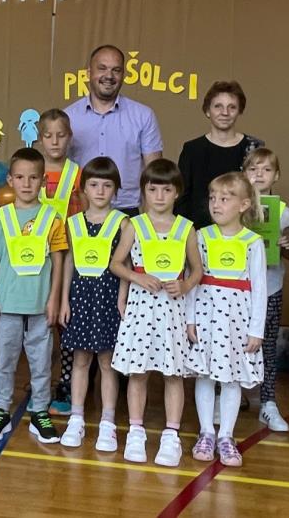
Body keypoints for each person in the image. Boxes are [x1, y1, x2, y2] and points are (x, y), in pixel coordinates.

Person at [109, 159, 202, 467]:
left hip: (172, 311)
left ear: (177, 192)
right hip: (141, 307)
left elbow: (197, 270)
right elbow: (116, 263)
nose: (159, 196)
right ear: (144, 192)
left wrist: (184, 285)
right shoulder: (134, 225)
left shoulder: (186, 228)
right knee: (138, 372)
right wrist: (137, 278)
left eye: (166, 190)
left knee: (173, 374)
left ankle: (171, 435)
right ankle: (136, 431)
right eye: (153, 190)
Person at [0, 148, 69, 444]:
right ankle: (1, 410)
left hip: (40, 307)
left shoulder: (53, 218)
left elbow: (58, 261)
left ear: (43, 181)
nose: (26, 183)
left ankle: (40, 411)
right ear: (10, 180)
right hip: (7, 304)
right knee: (4, 361)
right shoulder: (0, 218)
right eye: (20, 177)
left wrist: (54, 299)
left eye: (33, 178)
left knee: (41, 363)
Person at [186, 172, 266, 467]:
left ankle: (226, 436)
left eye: (224, 199)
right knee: (205, 375)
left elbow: (259, 288)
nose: (216, 204)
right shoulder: (201, 236)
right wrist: (190, 319)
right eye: (212, 198)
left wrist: (256, 329)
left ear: (244, 205)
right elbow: (192, 278)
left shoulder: (252, 242)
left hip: (237, 320)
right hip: (206, 316)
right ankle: (206, 431)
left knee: (231, 378)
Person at [58, 157, 127, 450]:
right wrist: (64, 300)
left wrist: (122, 299)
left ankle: (108, 423)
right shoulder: (73, 223)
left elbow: (126, 264)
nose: (100, 191)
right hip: (80, 298)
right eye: (94, 185)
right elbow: (69, 262)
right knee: (80, 360)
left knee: (107, 363)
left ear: (116, 189)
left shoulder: (123, 222)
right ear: (84, 188)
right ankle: (76, 419)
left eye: (107, 185)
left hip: (108, 299)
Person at [65, 45, 163, 216]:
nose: (109, 76)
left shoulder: (143, 115)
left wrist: (149, 222)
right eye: (102, 68)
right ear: (88, 73)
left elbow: (154, 174)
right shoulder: (68, 117)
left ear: (123, 75)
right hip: (80, 212)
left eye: (116, 70)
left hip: (128, 211)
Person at [243, 148, 289, 432]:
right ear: (244, 174)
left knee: (268, 346)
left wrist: (286, 245)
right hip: (238, 289)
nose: (259, 175)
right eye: (253, 169)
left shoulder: (284, 212)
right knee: (231, 342)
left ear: (276, 175)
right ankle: (226, 395)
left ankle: (268, 402)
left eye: (266, 169)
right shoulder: (236, 207)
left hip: (271, 287)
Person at [38, 108, 84, 416]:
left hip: (69, 258)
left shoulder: (78, 174)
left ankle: (65, 381)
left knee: (65, 323)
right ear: (40, 139)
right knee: (38, 323)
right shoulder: (32, 172)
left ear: (70, 137)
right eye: (48, 136)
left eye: (61, 135)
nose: (55, 141)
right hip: (34, 260)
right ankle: (40, 380)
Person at [177, 81, 264, 228]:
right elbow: (181, 199)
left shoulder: (253, 147)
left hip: (243, 233)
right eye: (218, 106)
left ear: (240, 111)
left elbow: (262, 195)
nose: (225, 113)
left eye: (232, 107)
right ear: (207, 111)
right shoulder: (192, 149)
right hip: (198, 232)